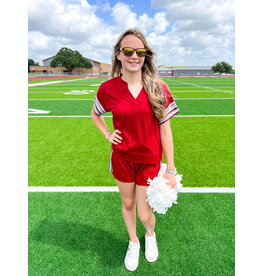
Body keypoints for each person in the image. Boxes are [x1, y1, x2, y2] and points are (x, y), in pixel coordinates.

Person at [91, 28, 180, 272]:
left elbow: (166, 132)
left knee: (144, 212)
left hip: (149, 161)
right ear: (118, 55)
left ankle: (150, 234)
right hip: (122, 158)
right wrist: (108, 133)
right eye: (128, 51)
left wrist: (170, 170)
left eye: (139, 51)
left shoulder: (158, 88)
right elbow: (95, 114)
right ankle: (133, 241)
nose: (134, 56)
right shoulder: (107, 89)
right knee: (127, 203)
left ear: (146, 56)